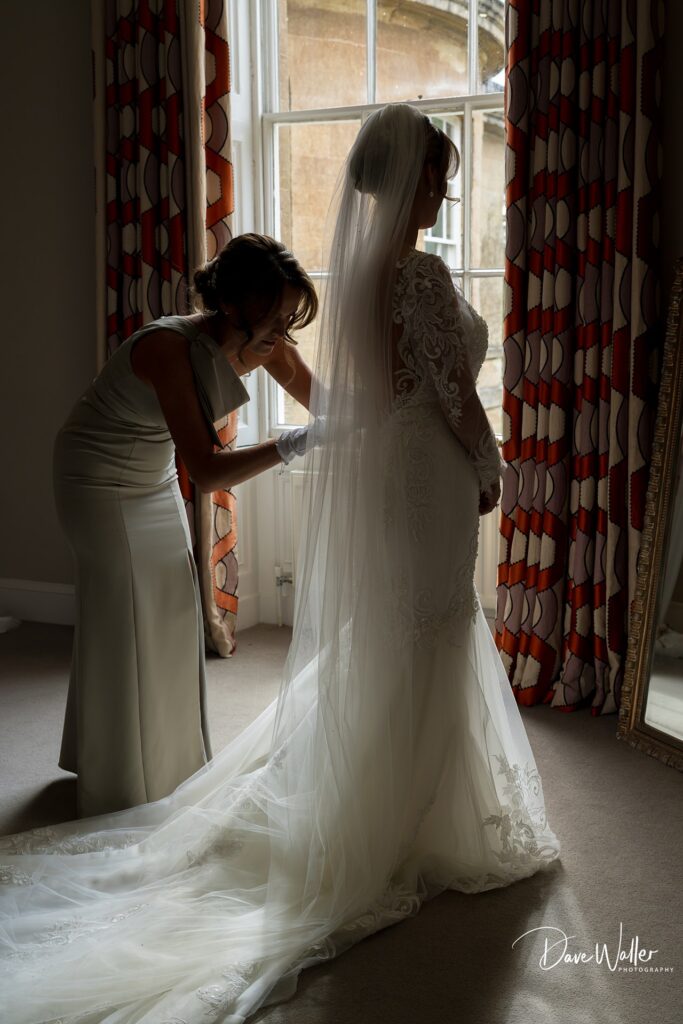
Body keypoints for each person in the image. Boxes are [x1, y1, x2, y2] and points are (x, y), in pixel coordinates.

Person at [0, 105, 560, 1024]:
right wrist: (455, 457)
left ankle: (168, 762)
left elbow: (350, 395)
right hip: (106, 470)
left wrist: (354, 434)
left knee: (333, 619)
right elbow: (231, 460)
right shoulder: (187, 344)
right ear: (240, 307)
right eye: (434, 173)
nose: (443, 189)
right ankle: (123, 767)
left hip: (395, 468)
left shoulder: (343, 292)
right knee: (416, 620)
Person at [53, 233, 319, 817]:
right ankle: (116, 780)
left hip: (148, 480)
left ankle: (163, 761)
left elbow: (316, 394)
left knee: (172, 612)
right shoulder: (168, 347)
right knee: (123, 618)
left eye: (288, 317)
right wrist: (292, 444)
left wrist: (376, 421)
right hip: (97, 480)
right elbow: (203, 468)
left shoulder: (263, 338)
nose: (282, 331)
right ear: (233, 306)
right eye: (274, 316)